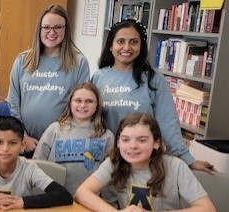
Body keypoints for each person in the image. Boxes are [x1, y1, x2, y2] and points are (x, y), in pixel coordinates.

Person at [91, 19, 215, 173]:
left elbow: (168, 121)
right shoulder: (98, 77)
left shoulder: (154, 79)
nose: (127, 47)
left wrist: (187, 159)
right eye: (120, 41)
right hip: (105, 160)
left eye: (134, 42)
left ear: (141, 46)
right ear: (111, 45)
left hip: (141, 161)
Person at [74, 113, 215, 211]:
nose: (132, 146)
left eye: (142, 140)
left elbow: (207, 208)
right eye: (125, 139)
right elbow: (81, 193)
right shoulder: (114, 162)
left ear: (156, 143)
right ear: (118, 142)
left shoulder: (176, 166)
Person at [7, 4, 90, 158]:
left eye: (58, 27)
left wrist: (60, 137)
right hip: (25, 143)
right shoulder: (23, 60)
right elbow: (12, 103)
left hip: (60, 144)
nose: (51, 32)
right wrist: (22, 136)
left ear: (66, 30)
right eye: (46, 27)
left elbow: (82, 106)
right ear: (39, 30)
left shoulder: (78, 62)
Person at [33, 82, 114, 195]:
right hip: (55, 200)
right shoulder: (55, 129)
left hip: (91, 203)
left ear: (97, 106)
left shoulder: (106, 136)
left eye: (89, 101)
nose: (83, 105)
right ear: (70, 103)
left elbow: (111, 177)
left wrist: (109, 205)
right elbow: (37, 166)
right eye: (78, 100)